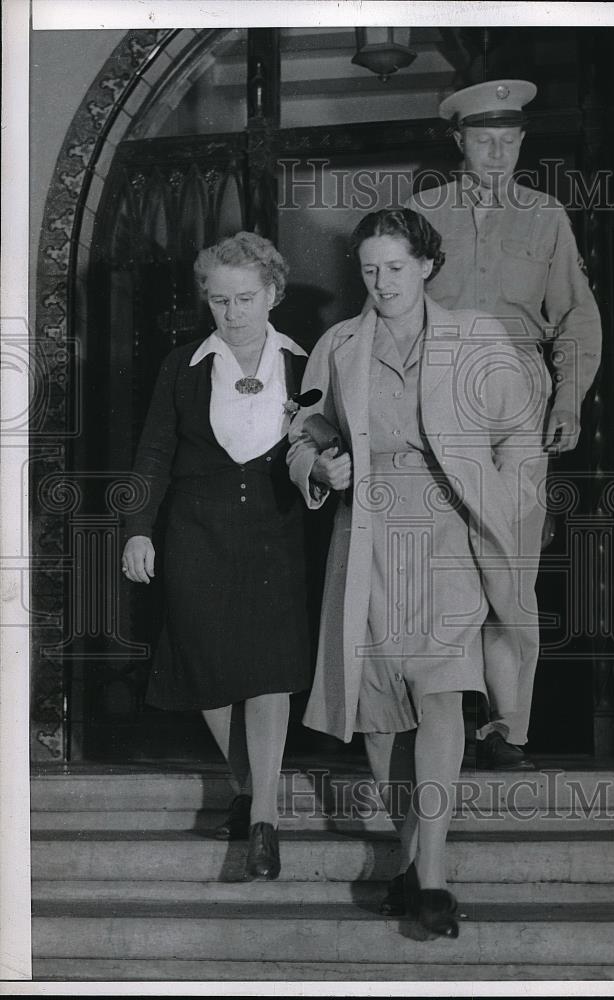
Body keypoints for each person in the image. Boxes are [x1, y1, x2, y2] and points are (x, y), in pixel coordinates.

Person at [288, 208, 547, 938]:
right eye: (369, 269)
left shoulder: (477, 336)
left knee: (440, 696)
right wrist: (320, 465)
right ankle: (409, 861)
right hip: (367, 533)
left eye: (396, 268)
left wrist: (507, 506)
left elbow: (519, 435)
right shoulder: (339, 346)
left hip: (449, 533)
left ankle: (431, 875)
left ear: (427, 265)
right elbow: (301, 432)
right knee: (381, 714)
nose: (382, 282)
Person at [405, 79, 602, 768]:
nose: (497, 152)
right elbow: (390, 314)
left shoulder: (546, 217)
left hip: (517, 396)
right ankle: (437, 716)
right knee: (437, 563)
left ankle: (506, 728)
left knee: (509, 573)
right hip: (437, 394)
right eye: (483, 139)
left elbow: (576, 315)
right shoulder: (420, 213)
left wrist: (569, 398)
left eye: (510, 140)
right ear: (457, 140)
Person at [121, 232, 311, 881]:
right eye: (219, 300)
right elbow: (152, 454)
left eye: (245, 298)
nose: (232, 313)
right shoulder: (182, 364)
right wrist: (138, 530)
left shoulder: (306, 363)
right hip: (194, 531)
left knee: (266, 672)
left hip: (273, 532)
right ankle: (249, 788)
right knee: (206, 671)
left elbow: (325, 440)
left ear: (273, 293)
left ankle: (265, 821)